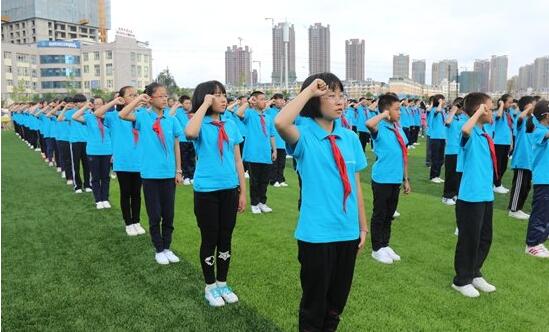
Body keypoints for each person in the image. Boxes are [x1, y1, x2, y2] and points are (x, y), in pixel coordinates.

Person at [275, 72, 368, 332]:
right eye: (330, 95)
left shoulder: (349, 138)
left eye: (342, 95)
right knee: (314, 306)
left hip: (347, 232)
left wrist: (362, 226)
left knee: (336, 305)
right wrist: (309, 91)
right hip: (317, 235)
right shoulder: (303, 135)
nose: (339, 101)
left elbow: (356, 184)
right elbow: (281, 122)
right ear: (315, 100)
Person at [185, 80, 247, 307]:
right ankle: (210, 286)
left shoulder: (230, 124)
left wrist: (242, 191)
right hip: (206, 191)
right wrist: (203, 106)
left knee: (225, 237)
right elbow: (189, 133)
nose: (223, 99)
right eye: (217, 95)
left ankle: (222, 283)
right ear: (205, 98)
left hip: (229, 190)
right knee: (209, 238)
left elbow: (238, 159)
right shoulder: (199, 123)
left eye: (223, 94)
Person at [119, 83, 184, 264]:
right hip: (150, 174)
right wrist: (139, 99)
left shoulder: (171, 119)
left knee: (169, 214)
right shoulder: (143, 117)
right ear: (151, 98)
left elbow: (176, 145)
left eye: (166, 96)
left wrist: (178, 170)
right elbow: (122, 114)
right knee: (154, 214)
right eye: (160, 96)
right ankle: (159, 248)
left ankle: (167, 247)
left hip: (168, 174)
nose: (165, 99)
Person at [452, 92, 497, 298]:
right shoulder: (469, 133)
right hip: (470, 196)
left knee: (485, 237)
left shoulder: (485, 133)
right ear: (480, 109)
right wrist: (479, 111)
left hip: (485, 194)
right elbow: (464, 129)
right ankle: (462, 280)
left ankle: (474, 272)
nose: (493, 110)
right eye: (490, 107)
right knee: (469, 239)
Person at [366, 93, 411, 264]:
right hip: (382, 178)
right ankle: (376, 248)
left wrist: (406, 178)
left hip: (395, 178)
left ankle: (385, 245)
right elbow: (368, 123)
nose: (400, 112)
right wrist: (384, 114)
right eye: (397, 109)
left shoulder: (397, 128)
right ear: (386, 111)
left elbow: (403, 154)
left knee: (389, 213)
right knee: (380, 213)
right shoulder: (380, 128)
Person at [96, 87, 146, 236]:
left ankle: (136, 221)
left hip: (140, 161)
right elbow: (97, 113)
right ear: (122, 98)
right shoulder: (113, 116)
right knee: (126, 193)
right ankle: (128, 222)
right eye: (131, 95)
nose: (135, 97)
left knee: (136, 193)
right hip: (123, 161)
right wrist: (113, 102)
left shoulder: (142, 115)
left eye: (136, 95)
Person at [236, 91, 277, 214]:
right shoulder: (250, 114)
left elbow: (272, 135)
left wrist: (274, 150)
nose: (265, 101)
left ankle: (262, 202)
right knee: (255, 181)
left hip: (266, 154)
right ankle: (254, 203)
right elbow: (238, 113)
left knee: (264, 181)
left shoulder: (268, 117)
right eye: (261, 99)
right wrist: (248, 103)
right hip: (253, 154)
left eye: (265, 99)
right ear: (255, 100)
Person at [72, 98, 113, 209]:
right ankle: (98, 199)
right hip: (93, 151)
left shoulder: (109, 118)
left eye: (101, 103)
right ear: (93, 106)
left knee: (105, 177)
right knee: (95, 177)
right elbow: (74, 117)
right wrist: (86, 107)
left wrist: (113, 153)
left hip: (107, 151)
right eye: (96, 104)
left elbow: (114, 136)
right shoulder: (89, 117)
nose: (98, 105)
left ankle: (105, 198)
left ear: (104, 105)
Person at [524, 100, 549, 258]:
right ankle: (532, 243)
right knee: (540, 212)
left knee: (546, 213)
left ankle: (540, 241)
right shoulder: (539, 131)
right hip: (543, 179)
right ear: (546, 116)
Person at [507, 96, 536, 220]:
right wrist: (526, 109)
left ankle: (519, 208)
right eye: (532, 105)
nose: (534, 107)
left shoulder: (533, 119)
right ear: (526, 106)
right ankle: (513, 209)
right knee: (519, 184)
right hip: (521, 159)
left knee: (526, 186)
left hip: (530, 159)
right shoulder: (521, 118)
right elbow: (519, 118)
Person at [59, 94, 92, 193]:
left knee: (87, 165)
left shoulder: (88, 112)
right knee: (75, 165)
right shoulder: (71, 113)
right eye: (79, 102)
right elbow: (59, 119)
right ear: (75, 103)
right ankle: (77, 185)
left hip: (87, 141)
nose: (81, 104)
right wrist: (65, 108)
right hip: (74, 141)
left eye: (83, 102)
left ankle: (87, 185)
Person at [442, 97, 467, 206]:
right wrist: (453, 109)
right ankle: (447, 196)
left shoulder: (464, 118)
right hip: (451, 150)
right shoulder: (449, 117)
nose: (460, 109)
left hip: (461, 150)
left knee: (458, 174)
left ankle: (455, 193)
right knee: (450, 174)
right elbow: (447, 122)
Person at [170, 95, 196, 185]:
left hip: (192, 140)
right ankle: (185, 177)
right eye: (186, 103)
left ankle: (192, 176)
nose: (188, 105)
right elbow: (169, 115)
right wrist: (176, 105)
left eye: (189, 103)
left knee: (192, 159)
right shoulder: (178, 112)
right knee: (184, 159)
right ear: (182, 104)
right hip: (182, 140)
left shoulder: (193, 112)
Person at [492, 94, 514, 194]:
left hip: (506, 143)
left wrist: (511, 143)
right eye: (509, 102)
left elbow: (510, 129)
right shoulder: (497, 112)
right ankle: (496, 184)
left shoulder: (508, 114)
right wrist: (500, 105)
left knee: (504, 165)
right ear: (503, 102)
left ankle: (498, 183)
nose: (511, 104)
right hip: (498, 143)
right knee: (498, 165)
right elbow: (498, 116)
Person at [266, 93, 288, 187]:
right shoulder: (270, 111)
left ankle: (280, 179)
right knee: (274, 163)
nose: (283, 101)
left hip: (283, 141)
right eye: (280, 99)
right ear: (274, 101)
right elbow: (264, 107)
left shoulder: (284, 111)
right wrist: (271, 101)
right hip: (273, 141)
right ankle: (273, 180)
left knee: (281, 163)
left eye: (283, 99)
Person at [429, 94, 447, 183]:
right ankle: (433, 176)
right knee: (435, 157)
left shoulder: (443, 111)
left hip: (442, 137)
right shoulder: (434, 110)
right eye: (443, 100)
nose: (444, 101)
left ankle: (437, 175)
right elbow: (437, 110)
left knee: (440, 158)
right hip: (435, 137)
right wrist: (440, 103)